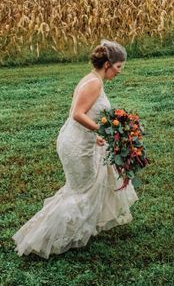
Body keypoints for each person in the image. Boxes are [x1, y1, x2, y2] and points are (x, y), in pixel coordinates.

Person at [13, 40, 138, 258]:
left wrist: (96, 135)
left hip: (81, 139)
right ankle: (46, 239)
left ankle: (75, 232)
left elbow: (83, 114)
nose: (120, 72)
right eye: (119, 67)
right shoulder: (94, 83)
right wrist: (103, 130)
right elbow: (77, 114)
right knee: (82, 190)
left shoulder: (93, 78)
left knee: (84, 187)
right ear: (108, 64)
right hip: (76, 144)